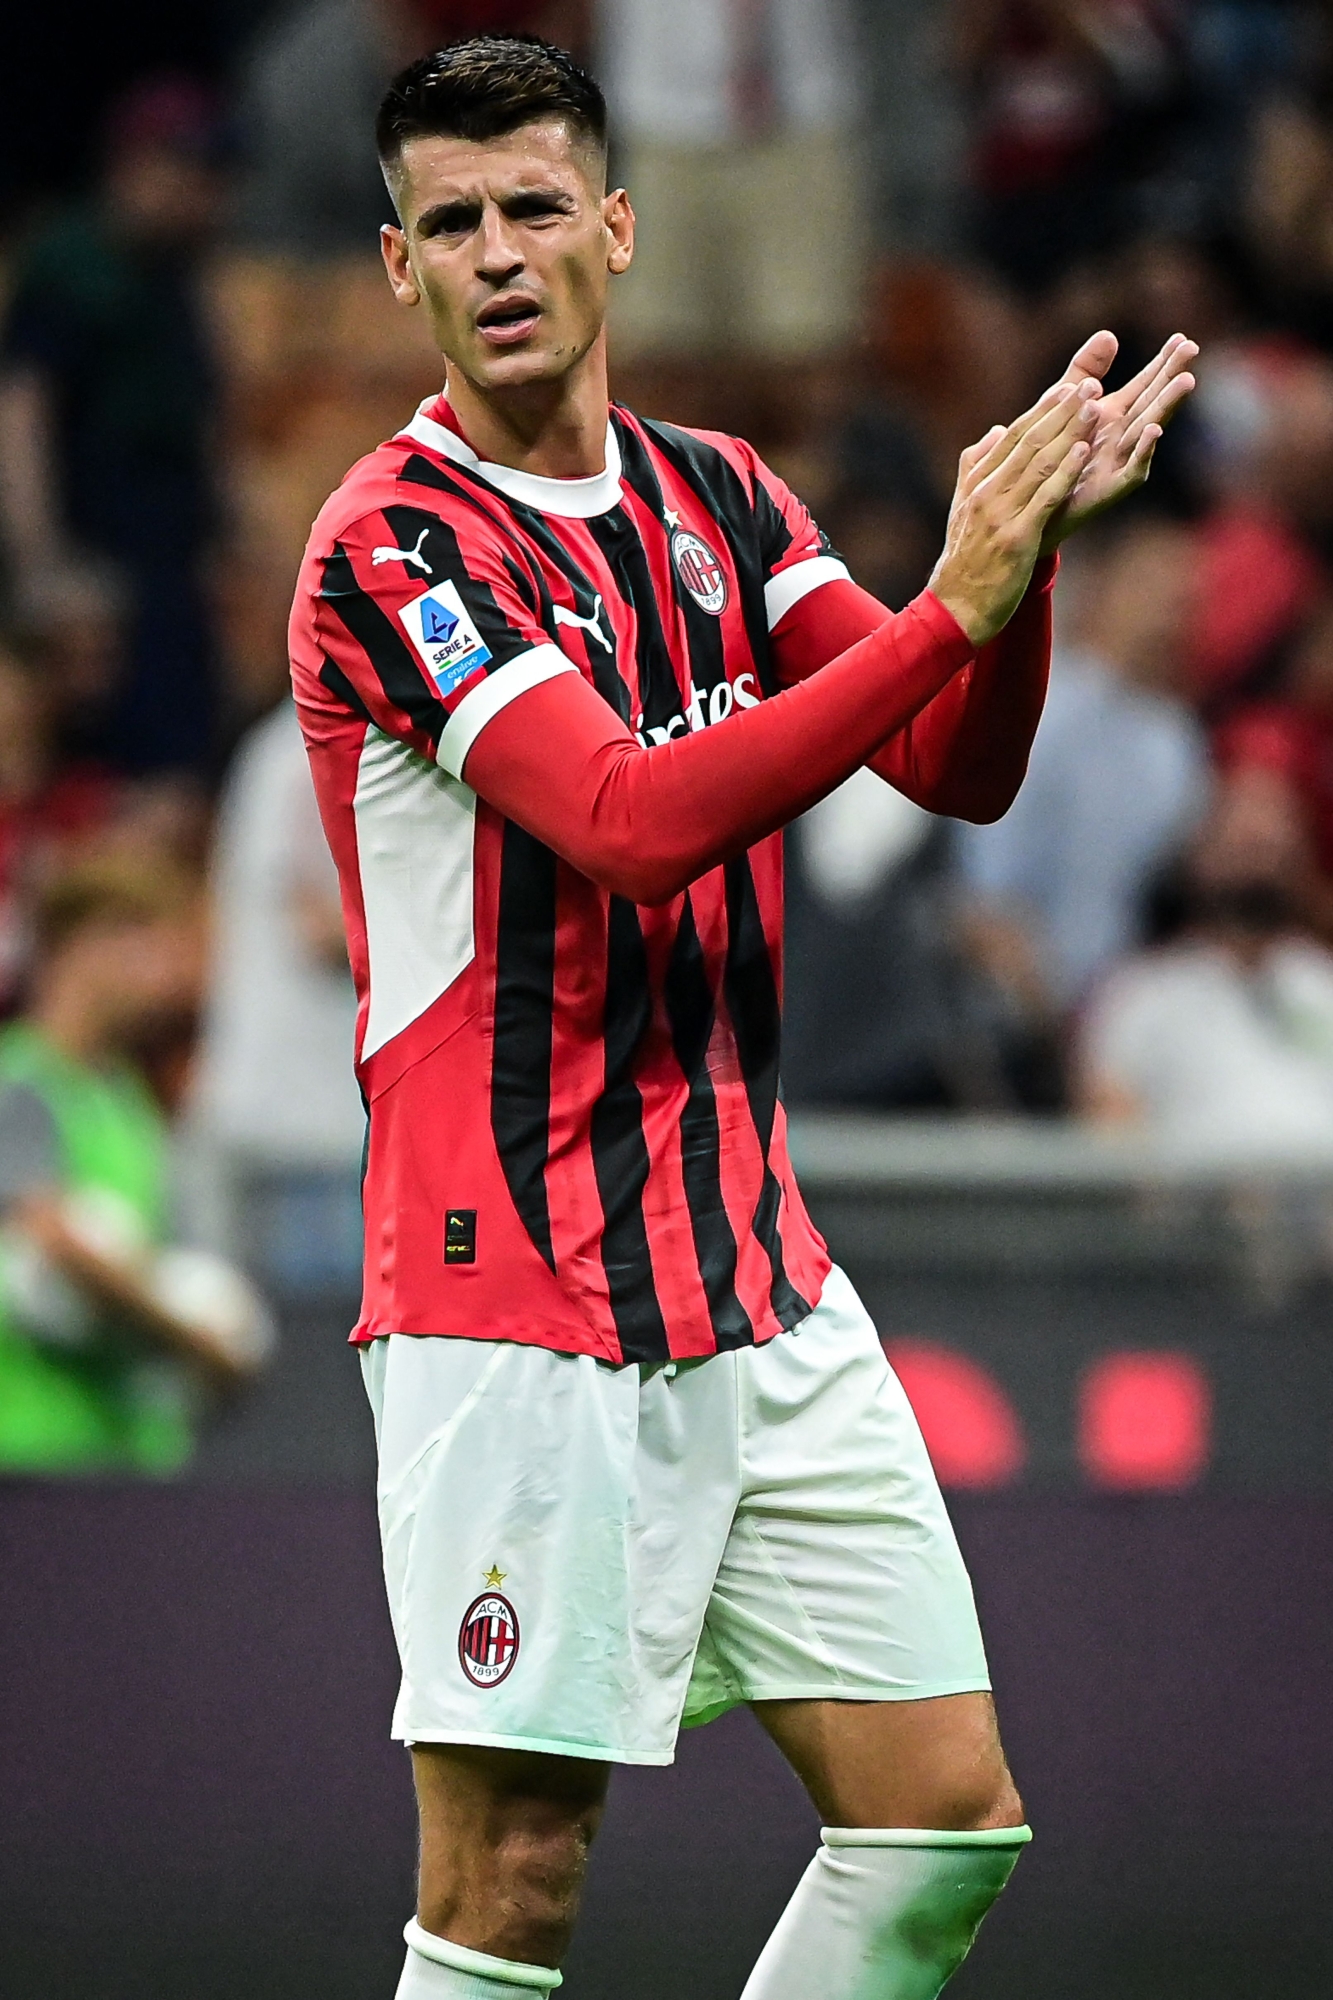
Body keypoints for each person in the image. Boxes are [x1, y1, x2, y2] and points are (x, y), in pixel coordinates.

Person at [289, 36, 1196, 2000]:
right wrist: (953, 603)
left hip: (753, 1276)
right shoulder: (394, 545)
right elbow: (628, 818)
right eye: (453, 223)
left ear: (617, 227)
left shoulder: (718, 496)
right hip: (510, 1291)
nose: (500, 252)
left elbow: (954, 765)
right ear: (399, 271)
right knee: (513, 1876)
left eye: (535, 206)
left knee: (944, 1820)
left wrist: (1009, 575)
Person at [0, 855, 267, 1475]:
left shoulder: (126, 1100)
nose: (174, 977)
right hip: (31, 1456)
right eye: (152, 946)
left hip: (127, 1459)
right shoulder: (22, 1083)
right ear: (87, 945)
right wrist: (193, 1338)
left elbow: (147, 1254)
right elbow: (53, 1240)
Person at [0, 77, 225, 777]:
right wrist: (45, 563)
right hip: (97, 553)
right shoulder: (70, 263)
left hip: (170, 555)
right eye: (187, 169)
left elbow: (208, 419)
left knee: (181, 754)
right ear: (135, 164)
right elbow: (22, 411)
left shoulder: (175, 274)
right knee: (94, 760)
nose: (203, 192)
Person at [959, 518, 1210, 1012]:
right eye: (1151, 584)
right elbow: (983, 901)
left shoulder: (1177, 744)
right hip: (996, 1012)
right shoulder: (1033, 703)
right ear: (1101, 585)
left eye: (1186, 598)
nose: (1170, 611)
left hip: (1120, 1018)